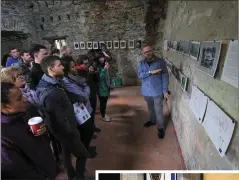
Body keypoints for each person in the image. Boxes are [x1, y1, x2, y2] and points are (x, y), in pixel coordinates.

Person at [36, 56, 90, 180]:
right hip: (66, 130)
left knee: (65, 151)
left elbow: (64, 95)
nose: (63, 67)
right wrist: (71, 130)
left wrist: (78, 98)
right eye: (59, 65)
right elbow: (58, 117)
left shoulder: (50, 82)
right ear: (51, 69)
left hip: (62, 129)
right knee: (83, 154)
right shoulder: (51, 93)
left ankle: (71, 174)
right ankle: (80, 177)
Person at [1, 82, 57, 180]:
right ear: (4, 106)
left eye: (22, 95)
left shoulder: (23, 113)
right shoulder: (3, 135)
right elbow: (18, 170)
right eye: (19, 99)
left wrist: (43, 131)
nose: (25, 99)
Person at [137, 45, 169, 139]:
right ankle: (152, 120)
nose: (148, 53)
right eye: (145, 52)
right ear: (143, 53)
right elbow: (140, 75)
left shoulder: (160, 62)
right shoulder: (141, 63)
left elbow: (165, 77)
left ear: (152, 50)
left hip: (157, 91)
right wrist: (151, 72)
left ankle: (160, 128)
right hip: (147, 91)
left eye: (149, 51)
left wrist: (165, 90)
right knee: (150, 108)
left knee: (158, 110)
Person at [76, 55, 101, 133]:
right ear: (80, 64)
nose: (87, 65)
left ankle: (92, 127)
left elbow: (97, 80)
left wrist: (95, 73)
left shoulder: (88, 70)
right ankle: (89, 130)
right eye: (85, 63)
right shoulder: (78, 72)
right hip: (86, 96)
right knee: (87, 114)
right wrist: (90, 74)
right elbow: (86, 84)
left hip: (92, 93)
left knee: (92, 112)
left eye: (88, 63)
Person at [98, 54, 112, 122]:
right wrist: (104, 69)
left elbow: (107, 75)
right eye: (100, 57)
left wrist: (109, 84)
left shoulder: (105, 64)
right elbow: (99, 78)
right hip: (101, 88)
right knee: (102, 103)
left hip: (106, 87)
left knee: (105, 102)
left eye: (102, 57)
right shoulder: (97, 67)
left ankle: (104, 114)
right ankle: (103, 116)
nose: (102, 59)